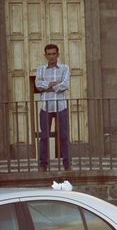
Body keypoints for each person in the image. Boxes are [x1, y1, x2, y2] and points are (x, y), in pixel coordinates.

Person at [35, 43, 71, 171]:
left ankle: (67, 165)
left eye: (53, 54)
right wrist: (54, 84)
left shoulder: (65, 68)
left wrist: (48, 87)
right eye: (49, 54)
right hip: (45, 106)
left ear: (58, 54)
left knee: (64, 136)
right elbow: (38, 85)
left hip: (61, 106)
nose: (51, 56)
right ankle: (43, 165)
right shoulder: (40, 69)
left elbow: (65, 85)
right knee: (44, 136)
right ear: (45, 55)